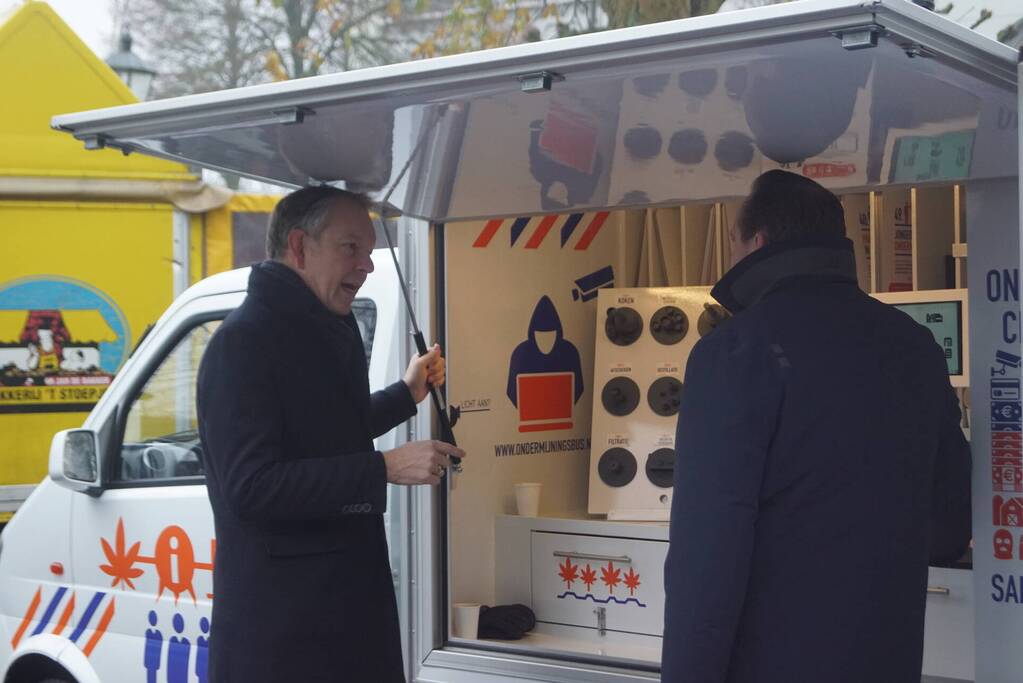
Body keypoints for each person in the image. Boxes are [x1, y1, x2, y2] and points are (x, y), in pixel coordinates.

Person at [662, 170, 971, 682]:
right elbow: (948, 529)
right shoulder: (913, 346)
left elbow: (708, 558)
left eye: (733, 242)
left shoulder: (735, 353)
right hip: (886, 661)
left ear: (756, 243)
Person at [197, 186, 464, 683]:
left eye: (367, 250)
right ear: (300, 247)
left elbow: (327, 430)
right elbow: (251, 487)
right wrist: (383, 467)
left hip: (345, 616)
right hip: (286, 635)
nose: (366, 266)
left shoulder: (321, 329)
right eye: (351, 248)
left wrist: (406, 393)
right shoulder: (243, 344)